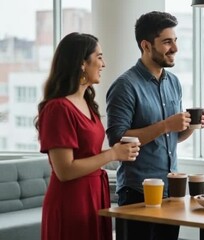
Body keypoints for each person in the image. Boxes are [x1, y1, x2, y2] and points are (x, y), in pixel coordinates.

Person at [106, 11, 204, 240]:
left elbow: (173, 137)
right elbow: (117, 141)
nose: (175, 48)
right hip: (137, 193)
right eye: (167, 42)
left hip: (172, 192)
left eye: (175, 40)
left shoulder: (173, 82)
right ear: (146, 46)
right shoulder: (125, 86)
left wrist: (190, 126)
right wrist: (165, 125)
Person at [35, 32, 141, 240]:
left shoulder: (87, 104)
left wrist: (118, 153)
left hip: (94, 195)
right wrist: (112, 154)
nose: (104, 64)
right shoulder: (58, 108)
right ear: (82, 63)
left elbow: (86, 154)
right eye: (99, 57)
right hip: (71, 200)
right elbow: (65, 170)